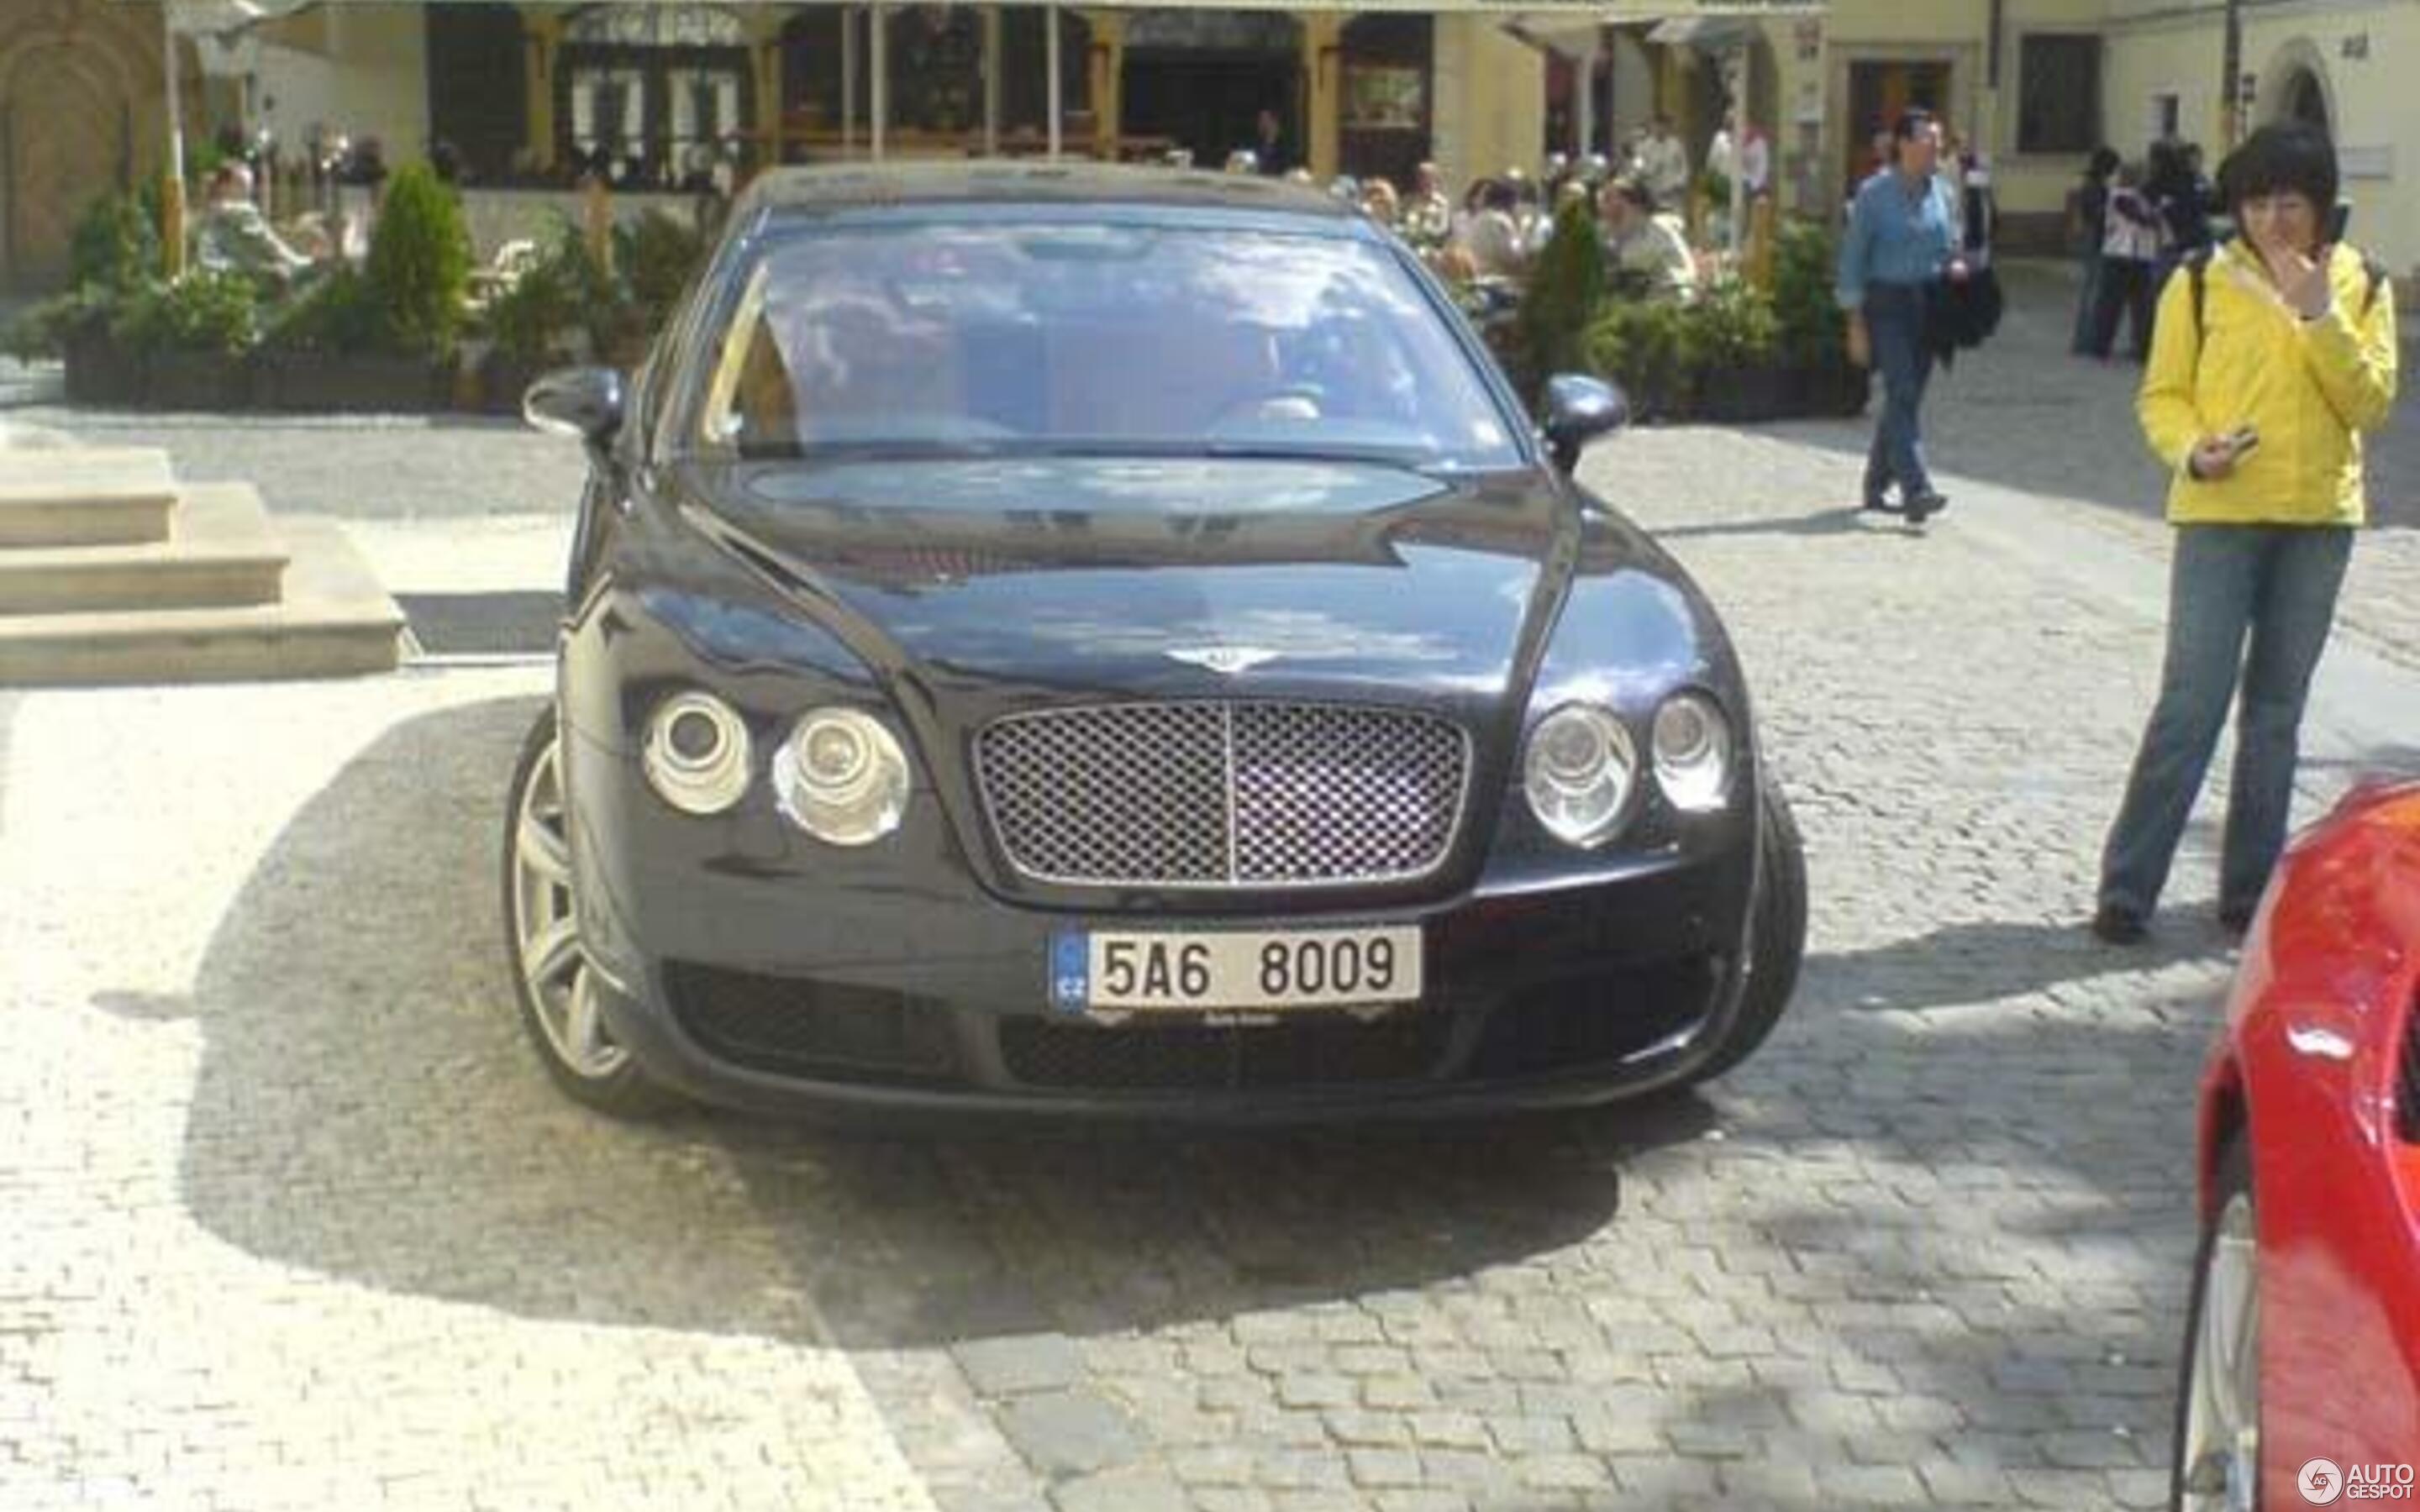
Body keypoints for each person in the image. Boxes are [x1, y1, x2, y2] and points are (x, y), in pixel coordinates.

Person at [2091, 122, 2397, 945]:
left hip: (2316, 523)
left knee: (2275, 714)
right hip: (2220, 517)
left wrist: (2320, 318)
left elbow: (2368, 405)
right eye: (2256, 203)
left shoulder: (2361, 284)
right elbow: (2162, 395)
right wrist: (2195, 450)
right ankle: (2128, 886)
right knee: (2191, 703)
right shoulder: (2196, 281)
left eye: (2289, 203)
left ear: (2321, 207)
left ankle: (2249, 892)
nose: (2271, 220)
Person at [1836, 109, 1962, 523]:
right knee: (1902, 390)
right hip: (1886, 302)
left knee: (1906, 399)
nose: (1936, 150)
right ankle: (1916, 488)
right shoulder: (1874, 195)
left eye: (1939, 143)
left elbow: (1950, 243)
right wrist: (1854, 321)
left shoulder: (1942, 192)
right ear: (1903, 144)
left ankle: (1875, 481)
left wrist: (1955, 265)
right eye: (1928, 141)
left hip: (1929, 302)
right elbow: (1853, 258)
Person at [2085, 160, 2164, 360]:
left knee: (2143, 307)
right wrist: (2156, 214)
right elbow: (2142, 218)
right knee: (2110, 305)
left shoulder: (2141, 198)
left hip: (2141, 257)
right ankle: (2100, 346)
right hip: (2119, 256)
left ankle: (2142, 347)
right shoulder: (2119, 196)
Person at [192, 162, 315, 288]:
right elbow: (268, 242)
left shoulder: (209, 211)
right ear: (224, 186)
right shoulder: (242, 212)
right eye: (241, 184)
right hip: (230, 277)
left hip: (212, 275)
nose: (248, 190)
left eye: (250, 185)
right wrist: (294, 262)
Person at [1599, 177, 1696, 302]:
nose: (1605, 207)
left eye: (1610, 198)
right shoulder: (1625, 235)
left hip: (1672, 301)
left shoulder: (1659, 226)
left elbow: (1635, 261)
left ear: (1635, 205)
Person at [2068, 147, 2121, 354]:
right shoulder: (2095, 187)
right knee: (2093, 291)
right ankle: (2085, 340)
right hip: (2097, 240)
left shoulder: (2092, 184)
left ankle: (2085, 339)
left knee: (2092, 290)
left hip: (2095, 240)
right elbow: (2097, 214)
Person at [1638, 115, 1690, 210]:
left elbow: (1684, 168)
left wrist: (1679, 183)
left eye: (1663, 126)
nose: (1660, 129)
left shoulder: (1676, 145)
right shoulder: (1645, 146)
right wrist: (1645, 173)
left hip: (1672, 193)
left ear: (1668, 128)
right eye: (1657, 126)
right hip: (1652, 192)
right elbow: (1639, 167)